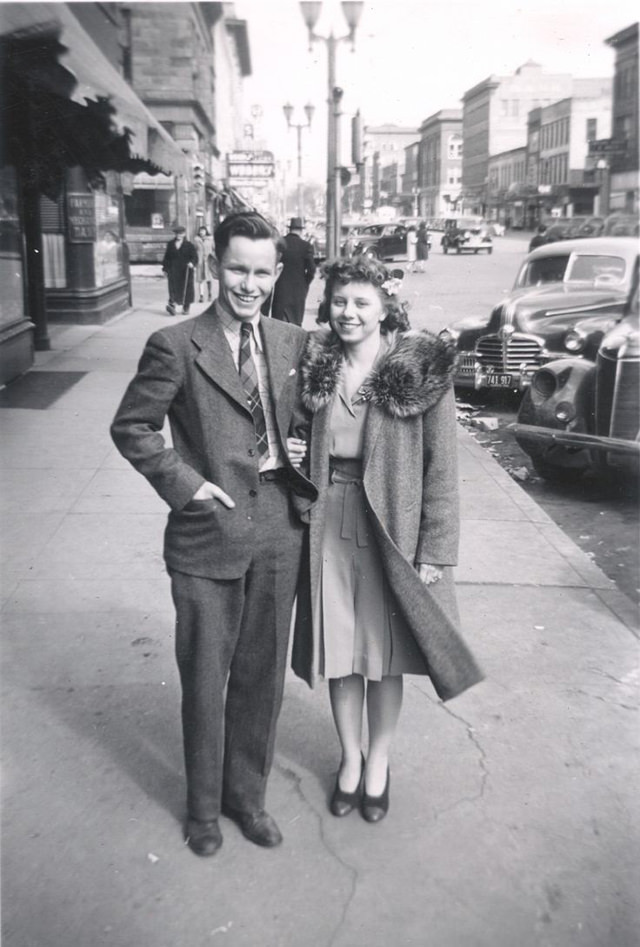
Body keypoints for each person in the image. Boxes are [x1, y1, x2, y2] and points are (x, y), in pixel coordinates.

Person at [111, 212, 317, 858]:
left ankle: (246, 798)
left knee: (261, 676)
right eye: (236, 269)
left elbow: (329, 412)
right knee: (205, 677)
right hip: (207, 537)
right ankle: (203, 808)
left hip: (280, 533)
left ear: (277, 274)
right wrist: (187, 484)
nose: (248, 284)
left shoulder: (293, 343)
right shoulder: (175, 344)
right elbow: (132, 427)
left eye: (261, 272)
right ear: (213, 266)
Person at [290, 255, 483, 823]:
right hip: (329, 521)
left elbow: (442, 470)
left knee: (384, 659)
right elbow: (294, 431)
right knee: (341, 654)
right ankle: (349, 759)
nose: (347, 313)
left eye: (361, 303)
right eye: (339, 301)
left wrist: (435, 551)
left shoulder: (421, 371)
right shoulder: (314, 363)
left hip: (391, 529)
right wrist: (300, 452)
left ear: (384, 308)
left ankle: (379, 762)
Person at [266, 217, 316, 324]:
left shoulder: (280, 243)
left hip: (281, 289)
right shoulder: (306, 246)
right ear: (301, 230)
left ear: (290, 229)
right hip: (298, 291)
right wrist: (305, 283)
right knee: (295, 323)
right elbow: (312, 270)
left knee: (278, 323)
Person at [162, 225, 198, 315]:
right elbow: (167, 257)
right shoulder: (170, 244)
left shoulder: (189, 245)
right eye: (177, 233)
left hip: (185, 270)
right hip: (173, 269)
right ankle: (172, 306)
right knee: (172, 288)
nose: (178, 235)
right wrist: (165, 269)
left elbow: (195, 257)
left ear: (184, 234)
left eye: (180, 233)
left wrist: (192, 263)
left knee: (186, 288)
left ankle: (186, 307)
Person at [194, 224, 214, 302]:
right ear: (199, 232)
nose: (202, 232)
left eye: (203, 231)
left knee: (209, 279)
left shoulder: (210, 240)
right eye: (200, 231)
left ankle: (210, 294)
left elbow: (214, 249)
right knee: (200, 279)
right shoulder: (196, 240)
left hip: (208, 261)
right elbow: (194, 250)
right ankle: (201, 296)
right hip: (200, 262)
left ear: (206, 231)